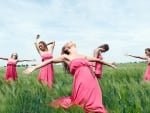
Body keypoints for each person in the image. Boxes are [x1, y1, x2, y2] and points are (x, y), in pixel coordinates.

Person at [23, 41, 116, 113]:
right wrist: (34, 67)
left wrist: (109, 63)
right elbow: (49, 61)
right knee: (83, 101)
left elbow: (95, 59)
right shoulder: (65, 57)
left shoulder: (81, 55)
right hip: (81, 79)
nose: (71, 41)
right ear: (67, 48)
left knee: (96, 100)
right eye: (69, 42)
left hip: (92, 78)